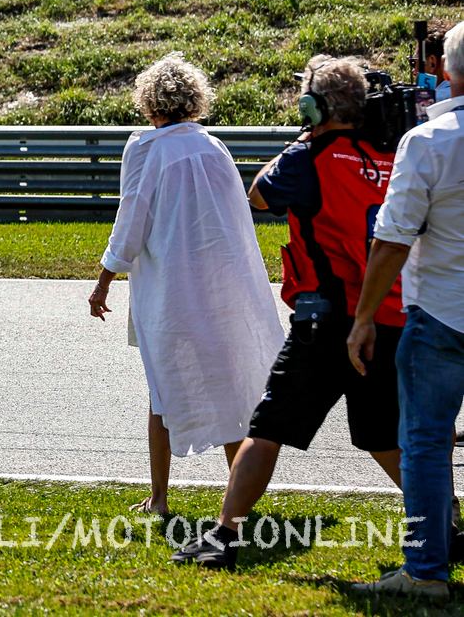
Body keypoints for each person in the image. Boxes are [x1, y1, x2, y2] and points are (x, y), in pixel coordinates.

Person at [173, 57, 402, 570]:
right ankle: (441, 522)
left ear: (313, 106)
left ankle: (224, 536)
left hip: (326, 317)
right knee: (384, 436)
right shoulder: (386, 155)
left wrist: (301, 139)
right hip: (383, 313)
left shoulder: (308, 156)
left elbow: (259, 195)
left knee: (268, 426)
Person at [88, 54, 282, 519]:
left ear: (148, 101)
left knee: (163, 390)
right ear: (194, 99)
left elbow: (130, 221)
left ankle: (159, 498)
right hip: (221, 287)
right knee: (230, 387)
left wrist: (104, 281)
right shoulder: (213, 146)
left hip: (171, 292)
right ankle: (240, 502)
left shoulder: (145, 148)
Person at [349, 24, 464, 600]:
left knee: (424, 440)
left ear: (446, 72)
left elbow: (392, 238)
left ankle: (425, 571)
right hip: (441, 309)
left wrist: (366, 315)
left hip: (441, 310)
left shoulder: (427, 140)